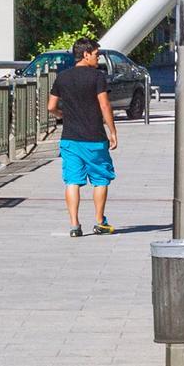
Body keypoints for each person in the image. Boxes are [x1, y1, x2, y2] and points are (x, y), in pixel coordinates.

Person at [53, 39, 121, 236]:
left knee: (72, 181)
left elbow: (51, 106)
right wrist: (113, 131)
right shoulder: (97, 77)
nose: (97, 58)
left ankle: (74, 225)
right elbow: (105, 105)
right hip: (94, 138)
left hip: (70, 139)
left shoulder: (62, 77)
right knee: (101, 179)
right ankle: (100, 222)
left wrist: (61, 115)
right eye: (96, 54)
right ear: (86, 54)